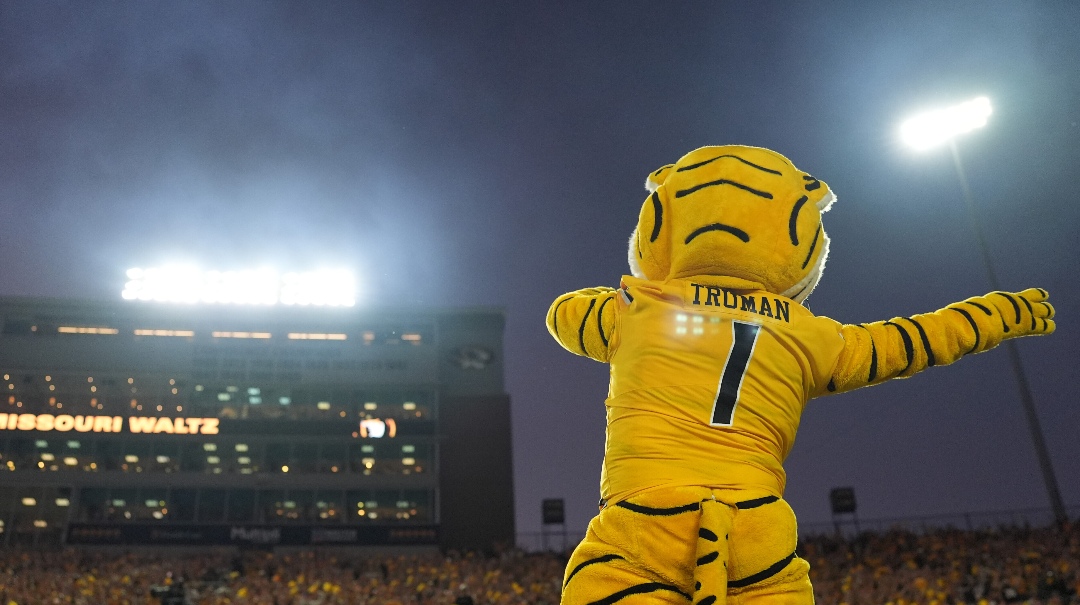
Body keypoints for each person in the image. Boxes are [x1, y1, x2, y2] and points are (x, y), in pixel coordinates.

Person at [546, 145, 1056, 604]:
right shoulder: (810, 335)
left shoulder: (636, 312)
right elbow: (911, 340)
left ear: (662, 226)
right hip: (756, 527)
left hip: (642, 522)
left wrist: (632, 296)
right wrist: (998, 313)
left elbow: (563, 315)